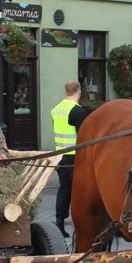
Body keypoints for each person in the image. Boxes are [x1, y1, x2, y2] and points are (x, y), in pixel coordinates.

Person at [50, 79, 89, 238]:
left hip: (60, 156)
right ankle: (84, 223)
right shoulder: (78, 111)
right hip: (75, 157)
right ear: (79, 91)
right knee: (81, 191)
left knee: (64, 188)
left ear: (65, 91)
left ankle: (59, 222)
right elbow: (84, 136)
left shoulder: (56, 110)